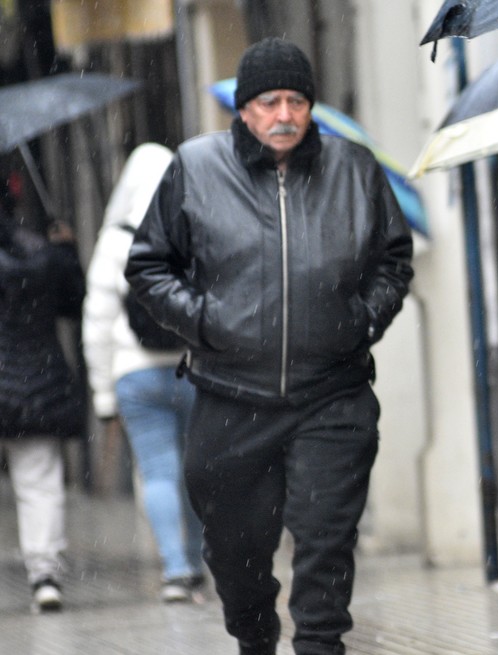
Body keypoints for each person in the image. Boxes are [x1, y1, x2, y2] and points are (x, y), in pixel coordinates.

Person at [126, 38, 413, 655]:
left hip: (333, 393)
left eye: (296, 100)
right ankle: (255, 638)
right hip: (231, 397)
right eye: (269, 101)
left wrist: (359, 322)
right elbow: (149, 267)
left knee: (326, 537)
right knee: (234, 547)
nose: (284, 114)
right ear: (245, 109)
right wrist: (206, 324)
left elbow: (394, 260)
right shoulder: (195, 167)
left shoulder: (354, 169)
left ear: (310, 106)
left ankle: (319, 643)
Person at [82, 142, 206, 604]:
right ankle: (195, 562)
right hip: (192, 370)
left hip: (133, 375)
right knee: (196, 471)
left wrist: (101, 395)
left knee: (158, 473)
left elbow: (95, 320)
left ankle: (173, 569)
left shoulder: (115, 241)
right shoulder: (193, 229)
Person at [0, 196, 84, 613]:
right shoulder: (40, 251)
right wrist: (66, 251)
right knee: (39, 481)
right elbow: (74, 302)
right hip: (35, 383)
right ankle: (45, 574)